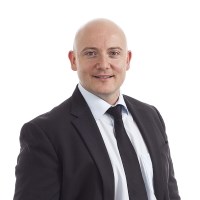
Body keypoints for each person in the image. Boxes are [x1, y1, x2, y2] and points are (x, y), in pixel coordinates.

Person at [13, 18, 181, 200]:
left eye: (114, 53)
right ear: (74, 60)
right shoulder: (45, 133)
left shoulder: (151, 116)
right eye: (91, 53)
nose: (103, 64)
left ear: (127, 60)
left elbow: (169, 193)